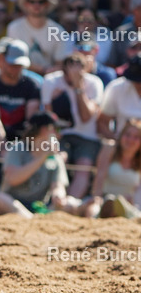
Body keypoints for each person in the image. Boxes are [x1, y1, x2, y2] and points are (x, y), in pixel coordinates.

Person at [0, 112, 84, 216]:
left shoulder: (55, 157)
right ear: (44, 130)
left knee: (70, 203)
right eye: (56, 129)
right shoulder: (17, 148)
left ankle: (31, 217)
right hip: (13, 203)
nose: (59, 134)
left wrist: (58, 196)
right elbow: (12, 179)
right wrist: (42, 157)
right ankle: (32, 218)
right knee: (0, 199)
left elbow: (58, 186)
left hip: (40, 207)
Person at [43, 52, 104, 199]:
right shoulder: (51, 81)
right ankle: (56, 200)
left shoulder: (95, 83)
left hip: (88, 138)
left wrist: (78, 87)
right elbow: (49, 118)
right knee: (58, 160)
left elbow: (86, 117)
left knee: (83, 166)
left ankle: (71, 203)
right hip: (60, 135)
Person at [87, 119, 141, 219]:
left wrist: (132, 202)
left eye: (136, 137)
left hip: (127, 205)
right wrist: (96, 197)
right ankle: (94, 220)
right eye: (128, 135)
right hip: (104, 199)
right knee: (95, 207)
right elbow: (100, 175)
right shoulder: (110, 149)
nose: (130, 139)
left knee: (132, 212)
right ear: (121, 136)